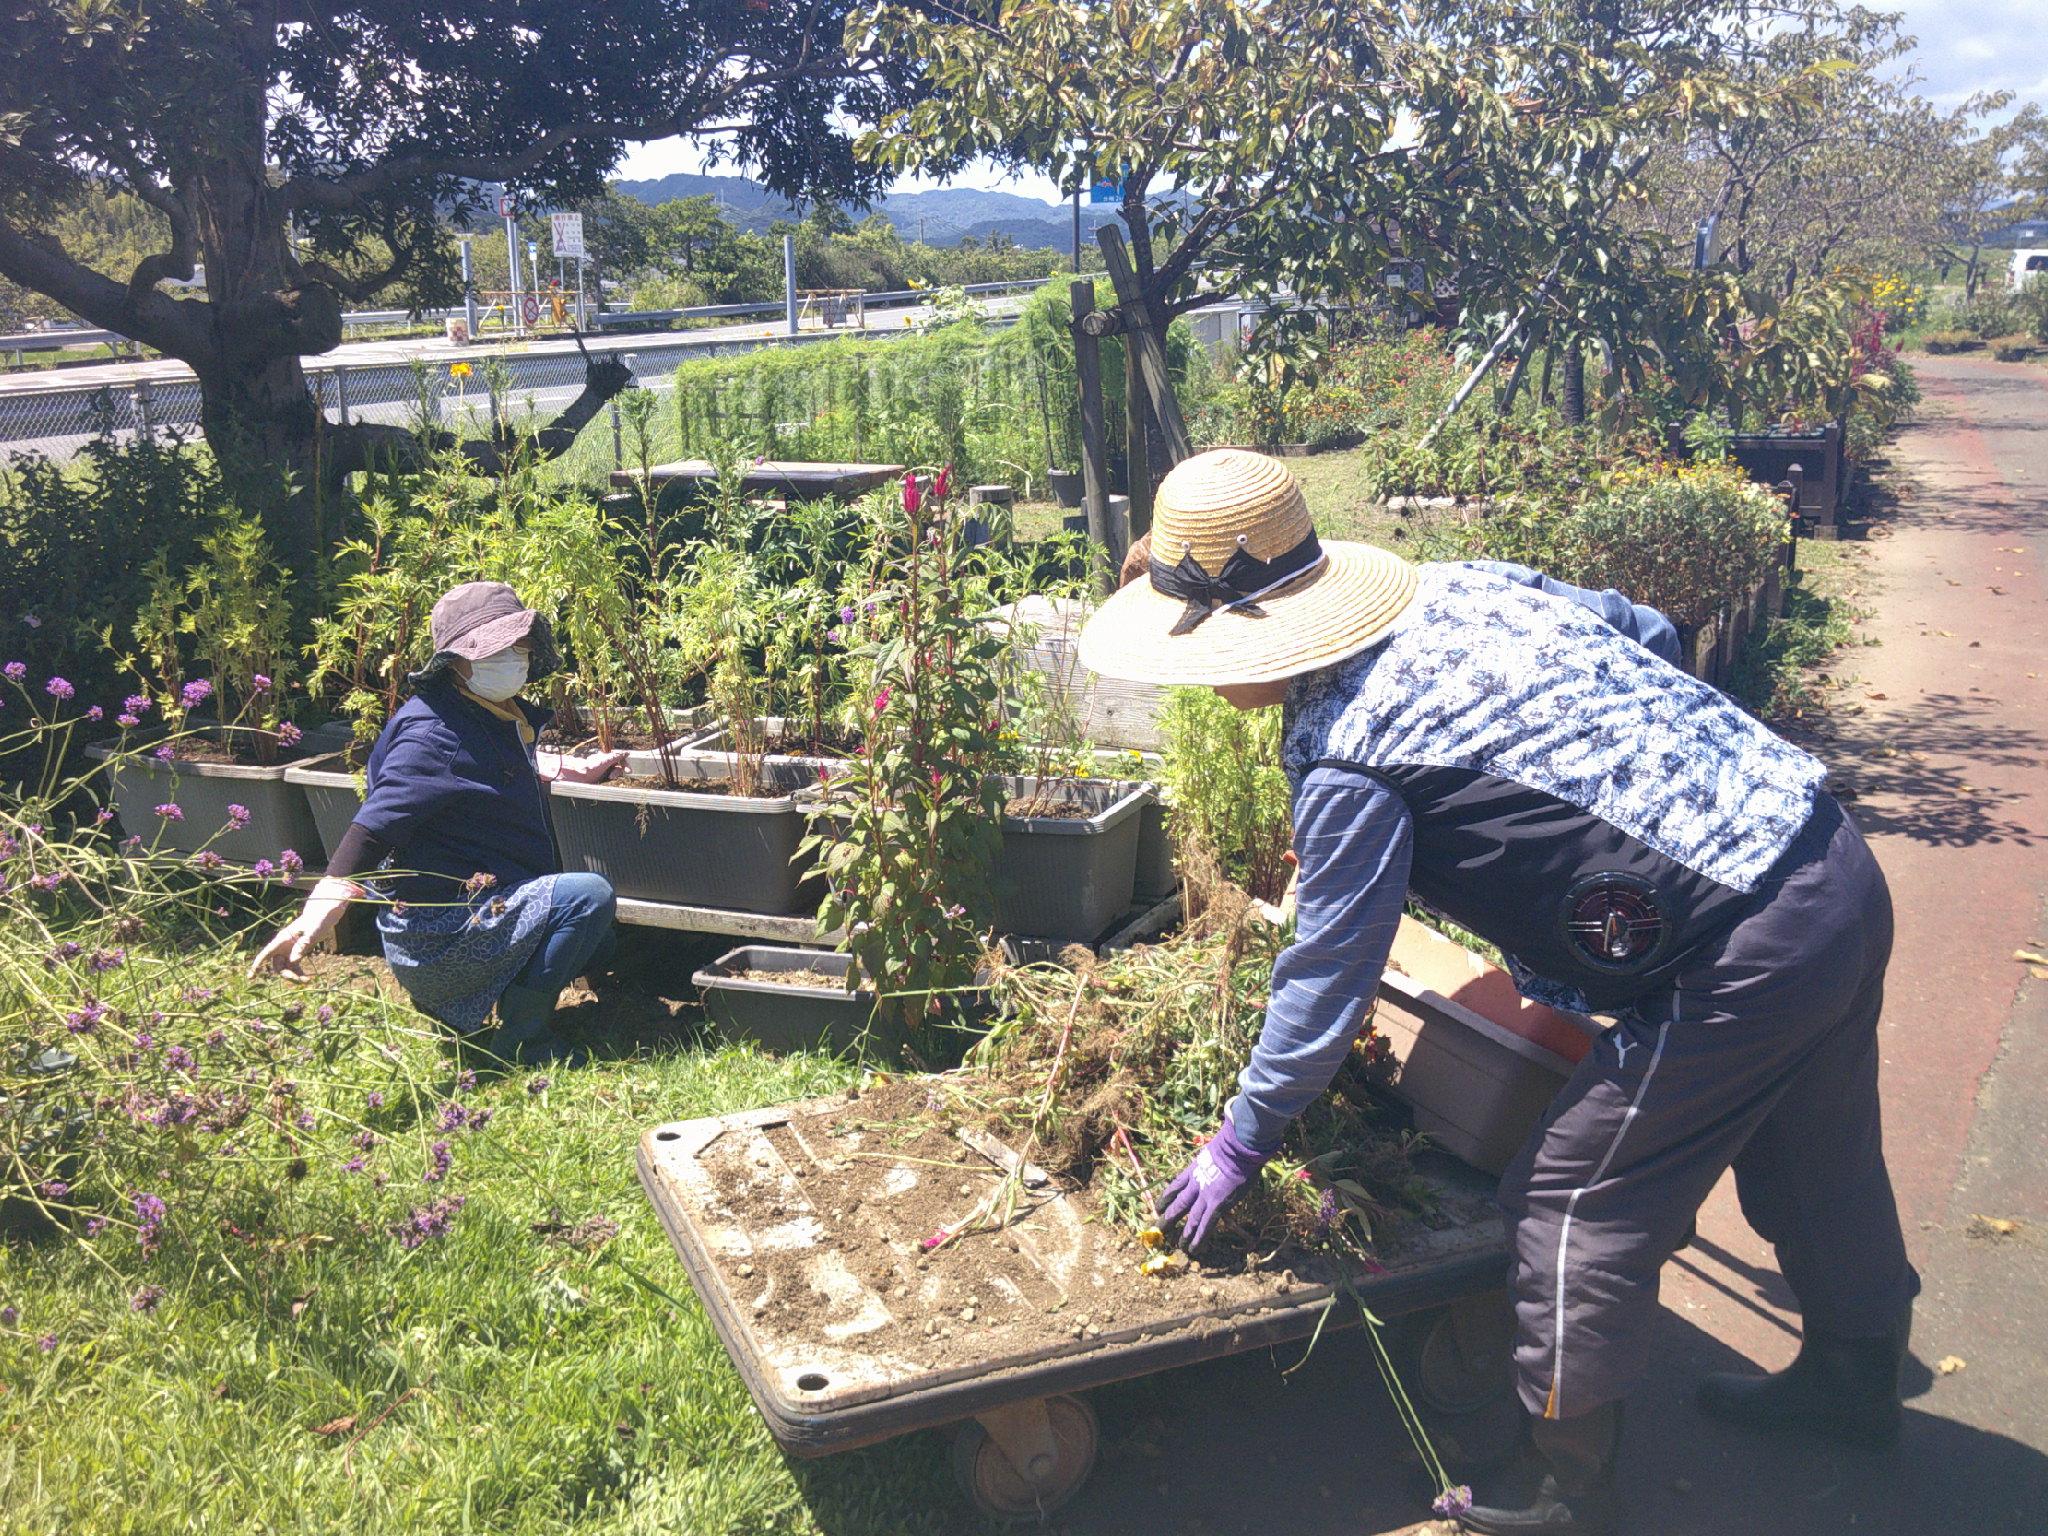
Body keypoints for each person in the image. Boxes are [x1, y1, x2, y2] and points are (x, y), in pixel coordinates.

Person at [1078, 451, 1915, 1536]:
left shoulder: (1347, 755)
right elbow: (1649, 633)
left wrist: (1244, 1137)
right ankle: (1855, 1380)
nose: (1194, 679)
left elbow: (1327, 972)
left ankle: (1561, 1482)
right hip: (1823, 854)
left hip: (1743, 953)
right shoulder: (1461, 584)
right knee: (1814, 1146)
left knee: (1572, 1201)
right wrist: (1645, 774)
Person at [250, 582, 627, 1067]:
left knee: (599, 942)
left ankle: (476, 1006)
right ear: (455, 661)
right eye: (494, 648)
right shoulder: (433, 736)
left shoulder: (478, 711)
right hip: (438, 938)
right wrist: (319, 913)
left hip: (473, 909)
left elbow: (480, 775)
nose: (513, 658)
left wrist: (568, 770)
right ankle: (522, 1041)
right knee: (587, 898)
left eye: (519, 645)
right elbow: (373, 829)